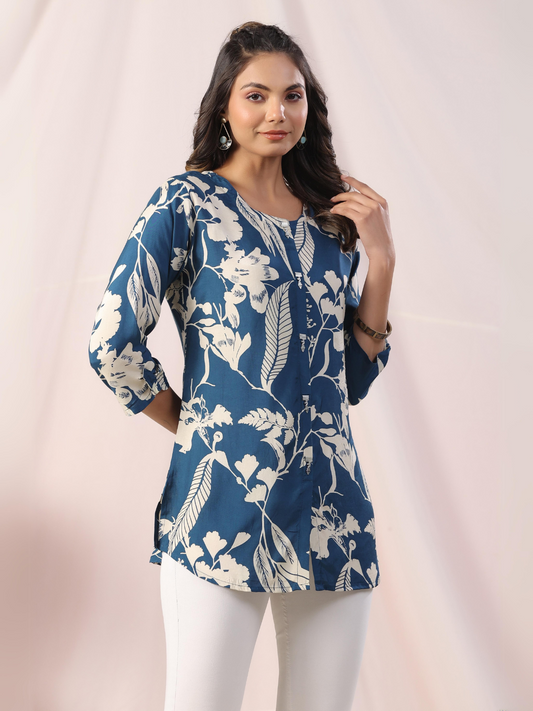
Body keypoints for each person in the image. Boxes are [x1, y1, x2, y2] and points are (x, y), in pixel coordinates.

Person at [88, 20, 395, 711]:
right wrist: (197, 428)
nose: (276, 112)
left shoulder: (328, 223)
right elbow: (111, 341)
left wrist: (380, 262)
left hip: (333, 519)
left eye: (292, 95)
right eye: (256, 95)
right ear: (224, 105)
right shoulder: (186, 203)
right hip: (223, 510)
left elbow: (348, 380)